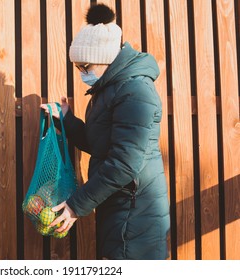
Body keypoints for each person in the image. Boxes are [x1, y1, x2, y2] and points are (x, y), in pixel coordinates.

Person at [42, 4, 170, 260]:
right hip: (120, 205)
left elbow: (124, 164)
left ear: (105, 58)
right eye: (78, 67)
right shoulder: (110, 89)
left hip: (135, 213)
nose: (82, 74)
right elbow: (103, 145)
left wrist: (76, 206)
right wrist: (68, 120)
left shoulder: (135, 91)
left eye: (85, 66)